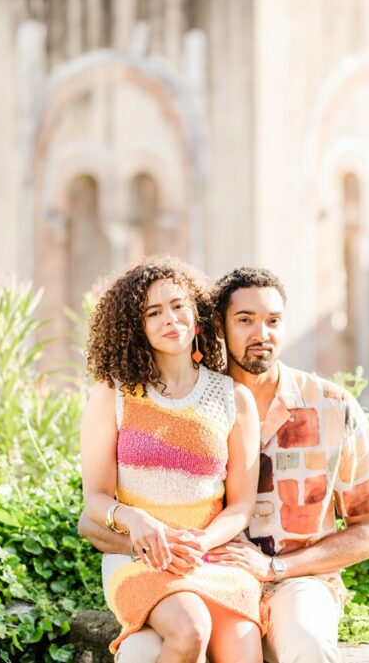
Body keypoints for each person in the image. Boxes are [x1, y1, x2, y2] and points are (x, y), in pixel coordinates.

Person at [81, 266, 369, 663]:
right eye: (245, 320)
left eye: (273, 321)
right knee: (150, 649)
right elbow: (92, 516)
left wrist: (275, 567)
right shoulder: (179, 395)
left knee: (307, 643)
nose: (260, 334)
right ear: (217, 324)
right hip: (197, 566)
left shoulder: (330, 407)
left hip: (293, 581)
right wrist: (153, 539)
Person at [79, 256, 263, 663]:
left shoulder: (234, 399)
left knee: (244, 651)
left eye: (178, 305)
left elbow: (240, 506)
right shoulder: (114, 394)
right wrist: (135, 520)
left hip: (208, 555)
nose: (170, 319)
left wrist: (200, 542)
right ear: (136, 326)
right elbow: (94, 497)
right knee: (191, 629)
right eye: (153, 312)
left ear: (196, 313)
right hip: (138, 559)